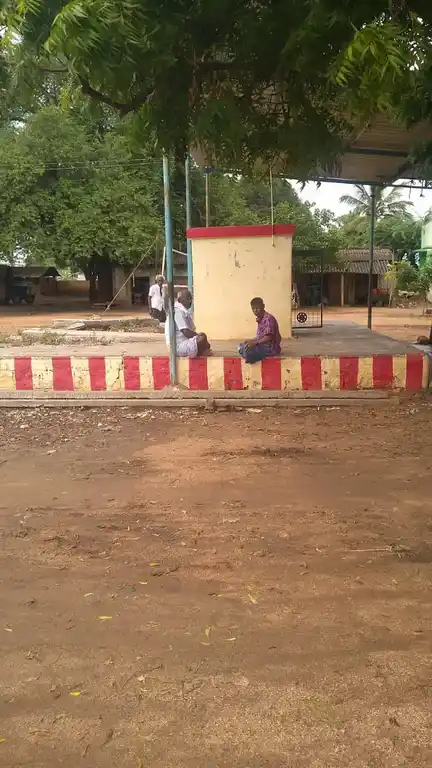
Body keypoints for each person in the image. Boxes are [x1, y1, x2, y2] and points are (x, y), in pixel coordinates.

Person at [165, 289, 211, 358]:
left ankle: (202, 350)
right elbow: (185, 332)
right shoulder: (178, 311)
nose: (190, 301)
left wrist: (199, 336)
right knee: (202, 338)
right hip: (177, 347)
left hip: (182, 342)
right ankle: (201, 352)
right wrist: (198, 336)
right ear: (180, 300)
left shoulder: (182, 311)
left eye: (191, 299)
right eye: (188, 298)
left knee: (202, 336)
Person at [238, 297, 281, 363]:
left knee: (247, 350)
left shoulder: (269, 319)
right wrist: (251, 340)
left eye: (257, 308)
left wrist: (255, 342)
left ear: (263, 306)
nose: (255, 311)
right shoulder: (260, 318)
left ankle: (249, 356)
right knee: (241, 346)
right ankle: (249, 355)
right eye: (253, 309)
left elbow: (269, 337)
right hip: (262, 345)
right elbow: (260, 336)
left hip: (270, 348)